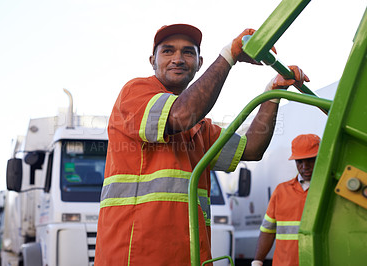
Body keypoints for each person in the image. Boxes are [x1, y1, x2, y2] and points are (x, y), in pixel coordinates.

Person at [95, 23, 309, 266]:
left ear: (199, 63)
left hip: (190, 258)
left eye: (188, 52)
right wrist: (229, 55)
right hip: (134, 257)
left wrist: (273, 92)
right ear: (152, 60)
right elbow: (181, 114)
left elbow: (252, 148)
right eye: (167, 51)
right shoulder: (135, 93)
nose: (178, 59)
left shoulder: (200, 128)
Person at [252, 133, 321, 266]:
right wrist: (257, 261)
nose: (305, 166)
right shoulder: (281, 191)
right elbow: (267, 230)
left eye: (310, 160)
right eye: (299, 161)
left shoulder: (331, 190)